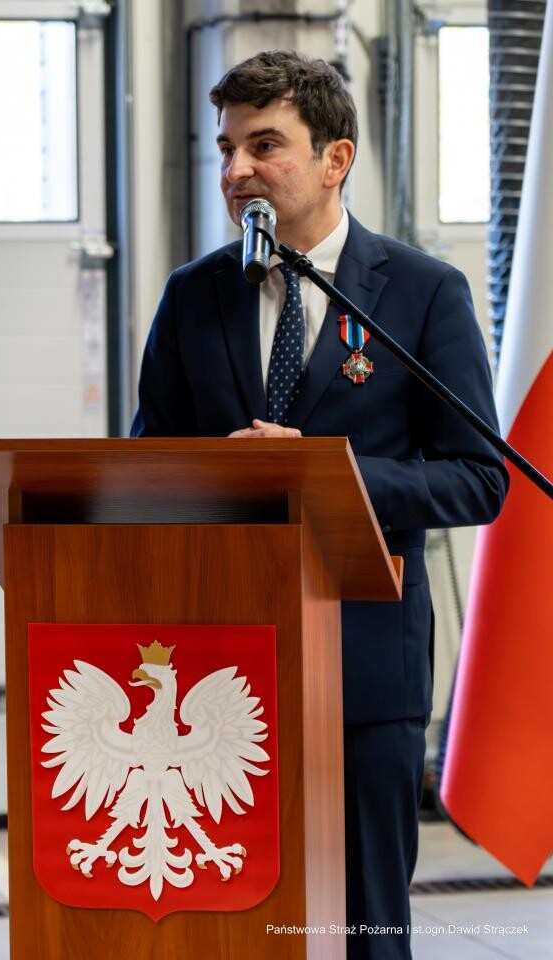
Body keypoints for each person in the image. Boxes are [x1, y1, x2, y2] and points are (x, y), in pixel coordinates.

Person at [131, 50, 508, 959]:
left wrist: (326, 473)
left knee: (366, 922)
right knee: (232, 919)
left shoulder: (421, 292)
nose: (237, 170)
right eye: (226, 148)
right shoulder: (192, 296)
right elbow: (146, 469)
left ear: (336, 159)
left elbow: (479, 477)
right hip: (216, 673)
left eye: (265, 146)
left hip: (365, 663)